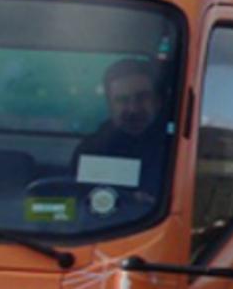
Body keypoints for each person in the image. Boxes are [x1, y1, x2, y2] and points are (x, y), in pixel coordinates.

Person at [72, 58, 170, 192]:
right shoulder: (90, 150)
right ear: (109, 105)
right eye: (122, 100)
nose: (133, 109)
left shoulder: (174, 148)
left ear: (158, 101)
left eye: (142, 97)